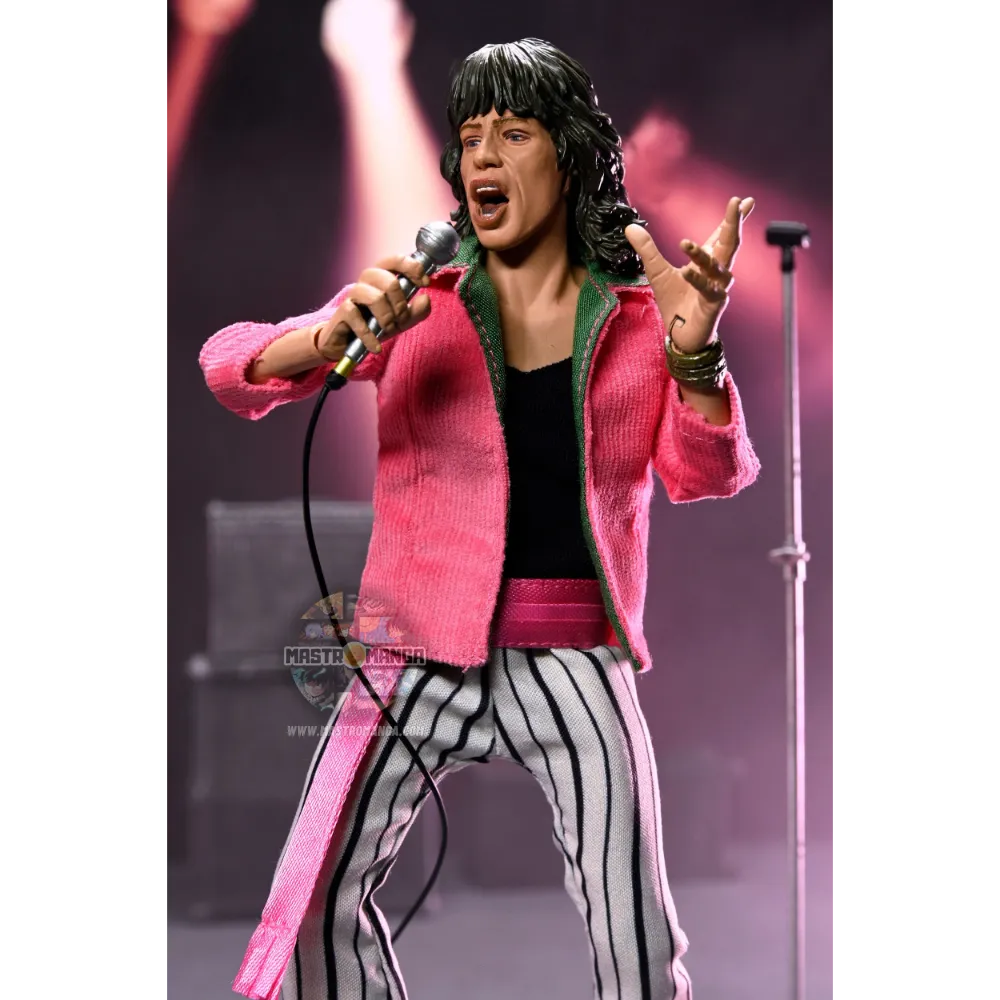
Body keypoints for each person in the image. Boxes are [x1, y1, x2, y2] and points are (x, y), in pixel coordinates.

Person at [199, 36, 760, 1000]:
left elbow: (706, 474)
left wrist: (695, 359)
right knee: (309, 909)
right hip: (413, 650)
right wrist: (325, 336)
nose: (483, 156)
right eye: (469, 137)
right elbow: (228, 367)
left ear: (570, 155)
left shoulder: (637, 318)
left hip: (571, 655)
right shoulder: (423, 298)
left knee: (634, 936)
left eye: (514, 132)